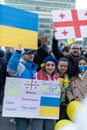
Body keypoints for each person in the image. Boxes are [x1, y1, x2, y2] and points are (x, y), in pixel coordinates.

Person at [7, 45, 38, 130]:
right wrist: (17, 52)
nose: (32, 55)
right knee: (22, 127)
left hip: (30, 102)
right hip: (20, 103)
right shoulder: (20, 66)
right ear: (23, 55)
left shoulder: (32, 67)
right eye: (29, 53)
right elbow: (10, 70)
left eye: (33, 53)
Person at [32, 55, 60, 130]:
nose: (50, 67)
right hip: (38, 107)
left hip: (51, 107)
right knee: (37, 128)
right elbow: (32, 90)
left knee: (50, 128)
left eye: (52, 65)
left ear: (55, 67)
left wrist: (62, 89)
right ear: (44, 66)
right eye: (48, 65)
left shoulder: (57, 77)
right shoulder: (38, 75)